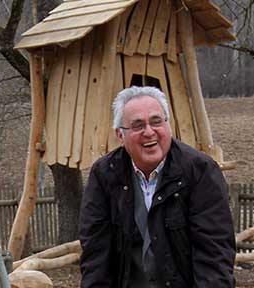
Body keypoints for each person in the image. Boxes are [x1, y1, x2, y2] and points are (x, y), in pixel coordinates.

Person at [79, 86, 235, 287]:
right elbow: (95, 255)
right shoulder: (104, 175)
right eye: (137, 125)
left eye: (156, 122)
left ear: (168, 126)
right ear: (120, 135)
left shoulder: (200, 171)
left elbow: (214, 254)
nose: (149, 132)